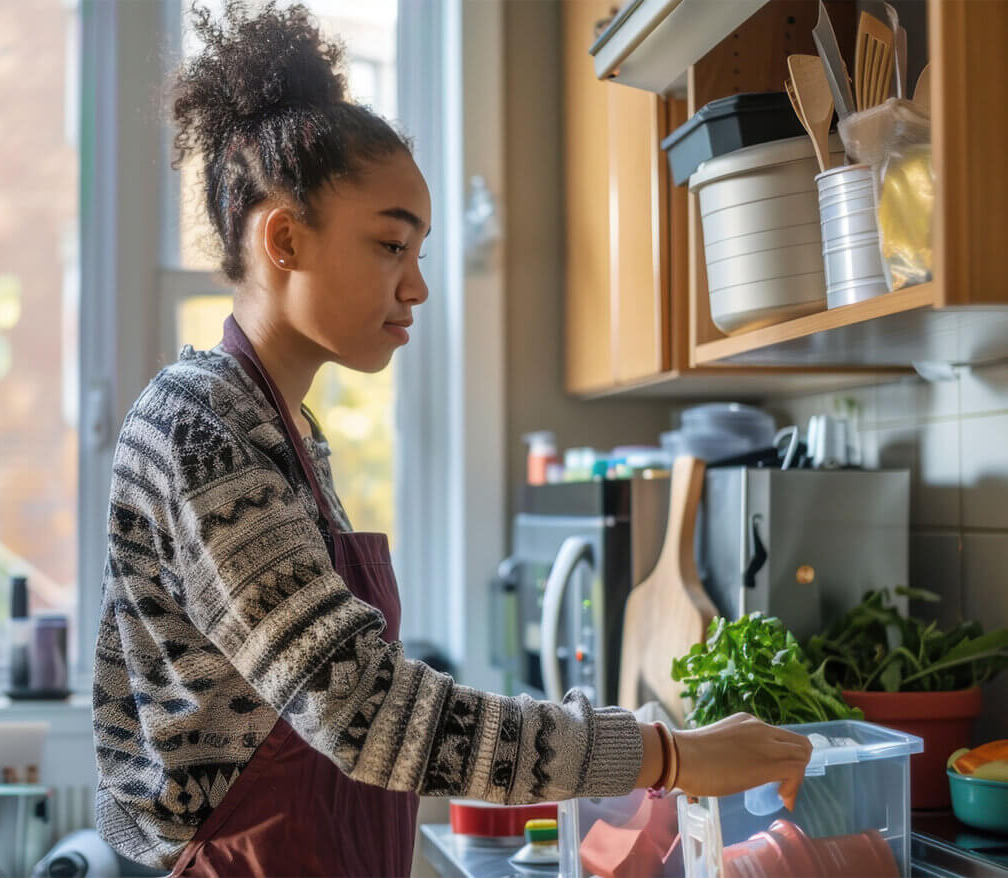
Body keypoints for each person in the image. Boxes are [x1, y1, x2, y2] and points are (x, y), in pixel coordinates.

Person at [91, 3, 813, 875]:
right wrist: (669, 755)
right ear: (284, 238)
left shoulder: (284, 437)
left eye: (420, 250)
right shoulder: (200, 432)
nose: (419, 287)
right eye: (391, 244)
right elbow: (366, 716)